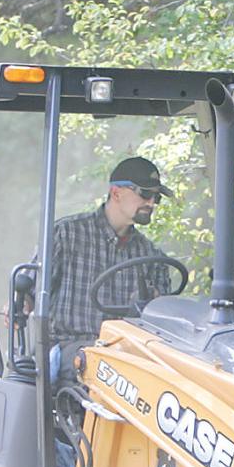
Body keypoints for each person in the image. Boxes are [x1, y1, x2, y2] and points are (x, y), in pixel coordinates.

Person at [45, 156, 177, 375]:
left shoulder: (152, 257)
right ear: (116, 193)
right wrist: (19, 306)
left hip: (128, 357)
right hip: (71, 350)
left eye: (156, 197)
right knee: (111, 368)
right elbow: (30, 291)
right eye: (145, 194)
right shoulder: (67, 234)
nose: (152, 203)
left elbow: (162, 325)